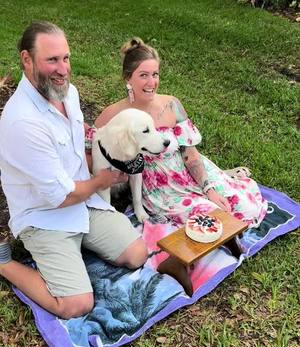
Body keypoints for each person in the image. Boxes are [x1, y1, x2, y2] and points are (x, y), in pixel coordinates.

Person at [0, 23, 148, 319]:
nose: (62, 69)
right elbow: (61, 196)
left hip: (83, 203)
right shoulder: (22, 122)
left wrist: (108, 155)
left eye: (65, 58)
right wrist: (102, 180)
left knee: (137, 254)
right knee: (77, 305)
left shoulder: (69, 94)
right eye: (52, 60)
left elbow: (78, 148)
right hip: (45, 216)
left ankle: (76, 251)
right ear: (26, 60)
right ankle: (4, 263)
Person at [94, 37, 268, 228]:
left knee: (245, 208)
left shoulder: (171, 104)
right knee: (214, 220)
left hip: (192, 173)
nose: (152, 82)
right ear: (128, 78)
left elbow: (190, 154)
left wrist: (209, 188)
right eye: (143, 75)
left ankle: (226, 179)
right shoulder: (113, 115)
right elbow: (91, 151)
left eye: (155, 74)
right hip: (162, 188)